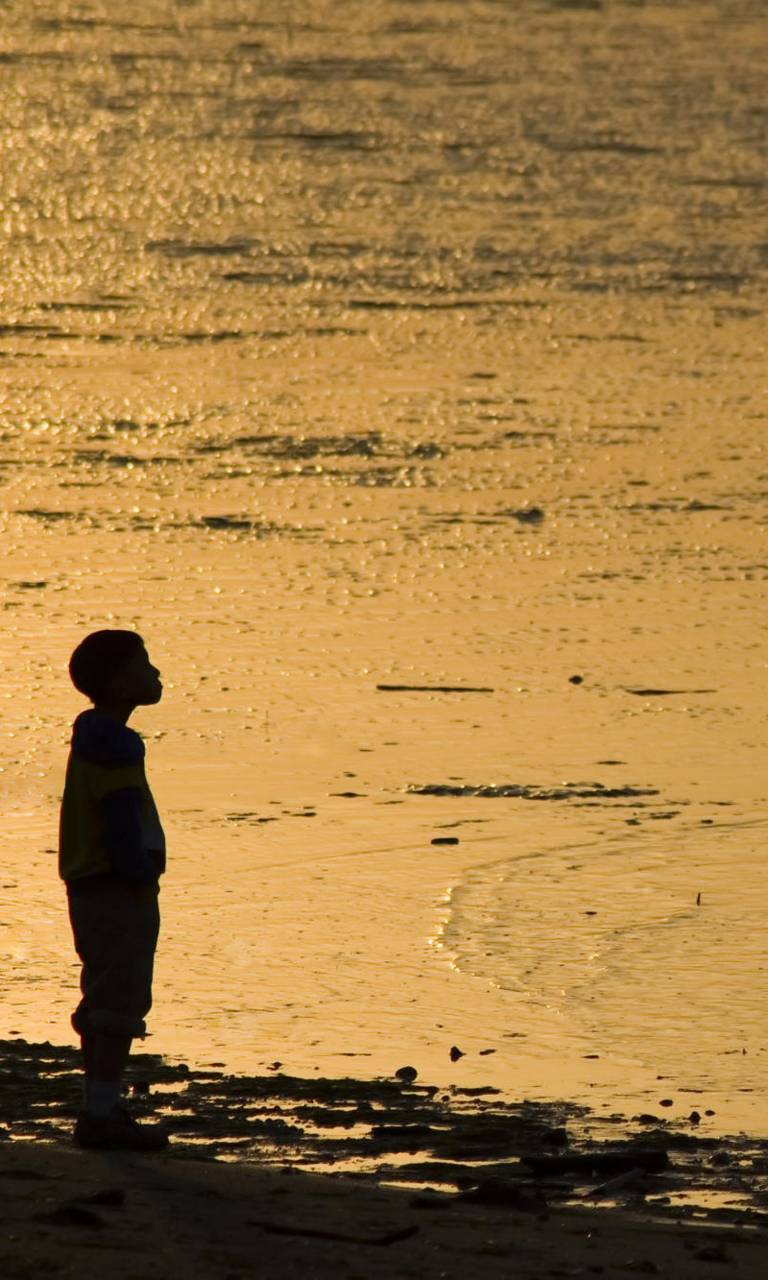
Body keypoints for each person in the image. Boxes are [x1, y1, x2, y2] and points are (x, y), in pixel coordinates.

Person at [58, 629, 168, 1150]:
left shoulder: (95, 733)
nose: (155, 673)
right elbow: (120, 812)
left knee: (102, 990)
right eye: (143, 664)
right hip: (114, 883)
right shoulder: (115, 743)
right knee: (119, 997)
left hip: (90, 882)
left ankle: (98, 1107)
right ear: (119, 681)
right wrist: (138, 870)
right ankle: (100, 1114)